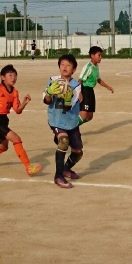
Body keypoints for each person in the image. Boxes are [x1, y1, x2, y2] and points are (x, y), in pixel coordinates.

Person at [44, 54, 83, 189]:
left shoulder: (76, 86)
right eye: (62, 64)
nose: (65, 67)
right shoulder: (52, 80)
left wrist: (67, 98)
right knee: (63, 141)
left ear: (74, 69)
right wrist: (49, 92)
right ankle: (58, 176)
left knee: (78, 152)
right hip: (56, 120)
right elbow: (46, 100)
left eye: (69, 65)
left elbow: (69, 106)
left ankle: (66, 169)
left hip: (71, 121)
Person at [76, 46, 114, 126]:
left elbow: (98, 79)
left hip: (90, 91)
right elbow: (80, 80)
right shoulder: (88, 67)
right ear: (92, 56)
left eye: (101, 55)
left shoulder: (96, 66)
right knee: (83, 115)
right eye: (99, 55)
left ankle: (73, 126)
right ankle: (69, 128)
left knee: (89, 116)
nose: (100, 57)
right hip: (84, 90)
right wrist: (79, 92)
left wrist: (108, 87)